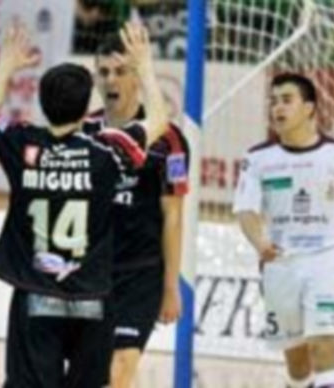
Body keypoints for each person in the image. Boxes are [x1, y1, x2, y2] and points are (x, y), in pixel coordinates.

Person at [0, 21, 167, 387]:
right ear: (85, 110)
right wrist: (144, 67)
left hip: (36, 296)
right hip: (92, 299)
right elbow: (158, 121)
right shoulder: (106, 151)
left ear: (43, 104)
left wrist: (6, 65)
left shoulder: (23, 144)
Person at [233, 73, 334, 388]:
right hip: (280, 265)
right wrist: (260, 243)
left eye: (287, 100)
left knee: (325, 347)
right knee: (298, 367)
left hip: (326, 259)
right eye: (273, 101)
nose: (277, 108)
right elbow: (245, 210)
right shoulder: (257, 159)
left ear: (309, 108)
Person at [85, 33, 190, 388]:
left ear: (137, 77)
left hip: (140, 275)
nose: (111, 80)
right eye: (104, 72)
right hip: (92, 272)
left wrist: (171, 285)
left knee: (120, 370)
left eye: (120, 71)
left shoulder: (168, 141)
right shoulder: (85, 132)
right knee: (92, 374)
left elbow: (173, 216)